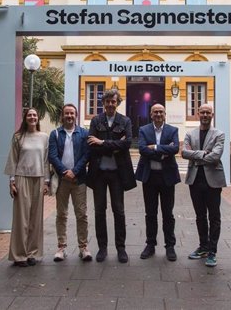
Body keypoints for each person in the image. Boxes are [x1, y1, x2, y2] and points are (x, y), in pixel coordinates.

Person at [86, 89, 136, 263]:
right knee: (99, 211)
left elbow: (127, 143)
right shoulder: (96, 120)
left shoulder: (125, 120)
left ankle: (121, 248)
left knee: (118, 211)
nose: (110, 104)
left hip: (117, 174)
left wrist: (102, 142)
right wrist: (115, 145)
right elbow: (91, 145)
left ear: (118, 102)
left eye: (113, 101)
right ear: (103, 103)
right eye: (107, 101)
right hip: (98, 174)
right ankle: (102, 247)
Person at [181, 103, 226, 267]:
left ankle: (212, 251)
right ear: (198, 114)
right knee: (200, 216)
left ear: (212, 115)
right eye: (202, 112)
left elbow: (215, 156)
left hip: (213, 181)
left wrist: (195, 156)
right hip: (195, 180)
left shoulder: (219, 134)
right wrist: (203, 153)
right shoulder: (190, 134)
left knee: (214, 216)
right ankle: (203, 247)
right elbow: (184, 153)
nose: (205, 115)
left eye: (208, 112)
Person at [4, 108, 49, 267]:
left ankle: (32, 253)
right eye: (29, 115)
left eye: (35, 115)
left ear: (38, 118)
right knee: (21, 218)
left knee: (36, 219)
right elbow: (13, 159)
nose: (32, 117)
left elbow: (45, 161)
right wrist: (12, 181)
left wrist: (46, 182)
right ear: (25, 118)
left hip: (39, 178)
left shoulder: (44, 137)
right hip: (22, 178)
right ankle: (19, 255)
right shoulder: (18, 137)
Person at [48, 103, 92, 262]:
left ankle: (83, 247)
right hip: (61, 181)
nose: (69, 116)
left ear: (76, 115)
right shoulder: (55, 134)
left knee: (82, 214)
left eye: (72, 113)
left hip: (79, 179)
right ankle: (61, 247)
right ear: (62, 115)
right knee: (61, 214)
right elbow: (52, 156)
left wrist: (74, 171)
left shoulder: (83, 133)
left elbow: (87, 155)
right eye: (66, 113)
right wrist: (64, 172)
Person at [136, 103, 180, 261]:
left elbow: (175, 149)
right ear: (151, 114)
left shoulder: (173, 130)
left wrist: (154, 147)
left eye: (161, 112)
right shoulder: (144, 130)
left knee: (168, 214)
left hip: (167, 177)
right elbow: (141, 149)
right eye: (155, 112)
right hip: (150, 177)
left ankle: (170, 246)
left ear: (165, 114)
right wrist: (162, 152)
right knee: (150, 213)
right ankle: (150, 245)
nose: (158, 114)